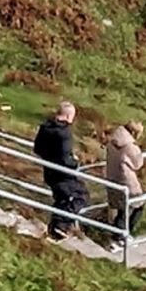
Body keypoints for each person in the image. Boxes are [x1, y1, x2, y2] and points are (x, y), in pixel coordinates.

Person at [32, 99, 88, 240]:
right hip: (62, 173)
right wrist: (75, 162)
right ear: (68, 116)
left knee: (62, 197)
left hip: (49, 170)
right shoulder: (64, 133)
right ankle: (61, 225)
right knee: (81, 196)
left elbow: (37, 148)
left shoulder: (46, 127)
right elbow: (65, 158)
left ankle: (55, 227)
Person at [104, 117, 144, 243]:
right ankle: (121, 236)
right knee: (135, 207)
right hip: (127, 182)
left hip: (112, 178)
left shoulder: (112, 142)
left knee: (121, 209)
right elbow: (138, 164)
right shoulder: (130, 147)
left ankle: (118, 235)